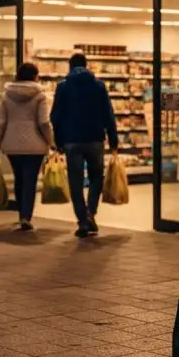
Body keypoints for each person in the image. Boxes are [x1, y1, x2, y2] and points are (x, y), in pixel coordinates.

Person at [50, 51, 119, 238]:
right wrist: (113, 138)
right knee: (97, 177)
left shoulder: (63, 87)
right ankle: (91, 212)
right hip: (95, 138)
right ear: (87, 65)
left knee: (76, 182)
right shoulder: (98, 86)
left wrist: (58, 141)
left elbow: (55, 116)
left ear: (70, 66)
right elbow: (108, 114)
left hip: (72, 141)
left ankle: (82, 221)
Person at [0, 62, 56, 230]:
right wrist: (51, 141)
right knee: (30, 180)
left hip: (12, 145)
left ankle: (21, 213)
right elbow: (43, 122)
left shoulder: (7, 96)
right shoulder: (39, 96)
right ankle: (26, 216)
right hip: (35, 146)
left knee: (19, 179)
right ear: (35, 76)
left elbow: (0, 123)